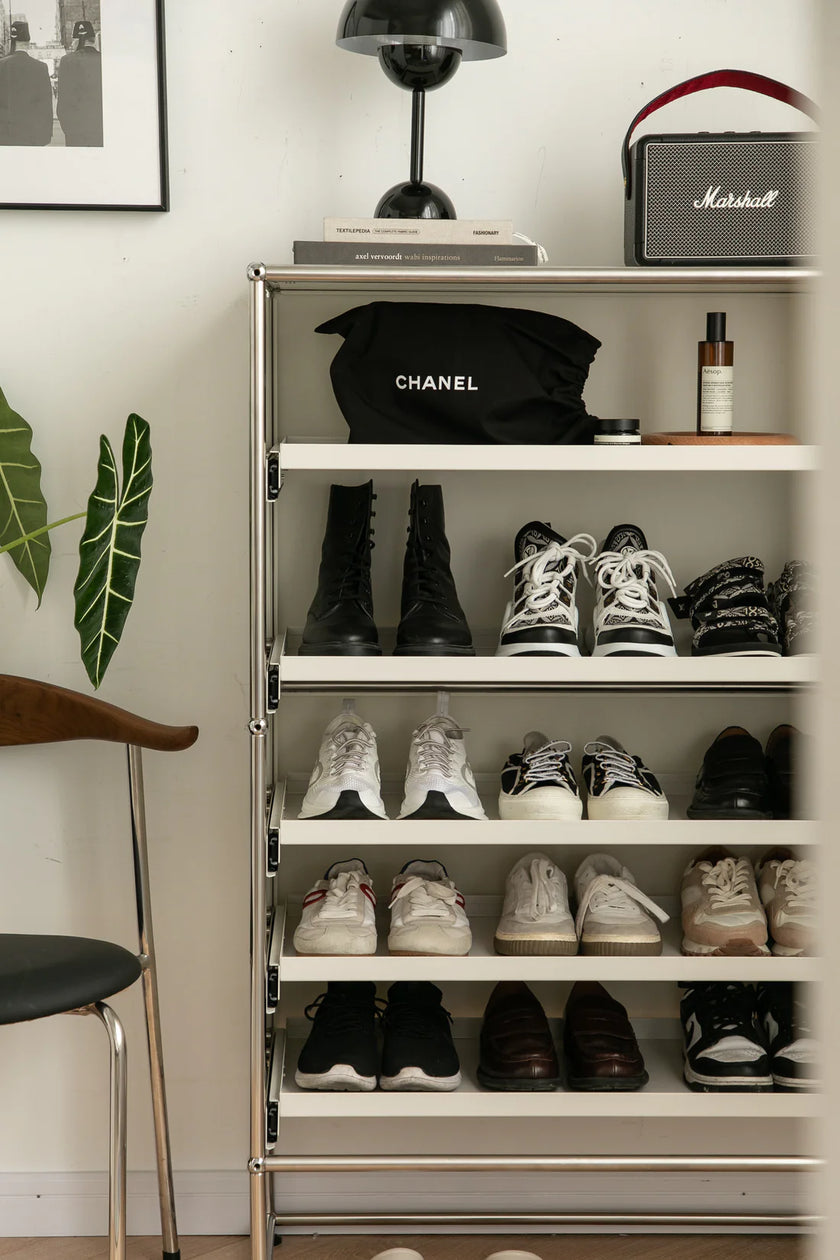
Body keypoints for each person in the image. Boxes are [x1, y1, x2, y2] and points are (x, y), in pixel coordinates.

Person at [0, 20, 54, 146]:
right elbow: (45, 105)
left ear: (11, 42)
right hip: (31, 136)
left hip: (5, 136)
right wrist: (45, 136)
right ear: (28, 43)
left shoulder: (2, 65)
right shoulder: (41, 67)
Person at [57, 19, 102, 147]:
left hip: (76, 131)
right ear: (93, 39)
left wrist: (69, 130)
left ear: (78, 40)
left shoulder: (67, 61)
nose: (72, 43)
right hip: (100, 129)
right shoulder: (103, 59)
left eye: (73, 40)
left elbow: (63, 102)